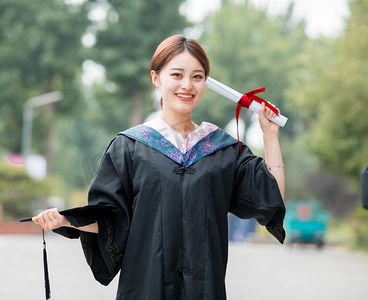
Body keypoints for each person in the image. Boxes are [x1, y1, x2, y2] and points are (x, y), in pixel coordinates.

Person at [32, 34, 286, 299]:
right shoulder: (129, 147)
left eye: (197, 77)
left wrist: (269, 136)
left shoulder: (222, 150)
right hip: (146, 289)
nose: (187, 85)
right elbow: (111, 220)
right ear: (156, 78)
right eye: (177, 74)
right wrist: (65, 220)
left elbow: (271, 197)